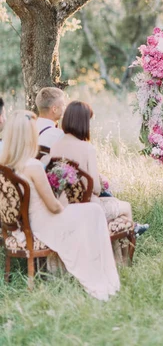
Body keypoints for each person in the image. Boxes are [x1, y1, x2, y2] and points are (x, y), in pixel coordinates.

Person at [0, 110, 120, 300]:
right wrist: (66, 204)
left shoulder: (5, 165)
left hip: (24, 223)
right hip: (43, 223)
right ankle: (98, 270)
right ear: (28, 136)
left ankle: (90, 266)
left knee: (88, 212)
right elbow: (54, 207)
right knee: (94, 211)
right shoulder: (33, 166)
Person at [50, 100, 133, 224]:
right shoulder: (87, 148)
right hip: (87, 206)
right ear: (83, 123)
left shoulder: (55, 146)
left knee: (112, 203)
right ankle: (123, 240)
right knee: (126, 207)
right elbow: (96, 189)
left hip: (64, 204)